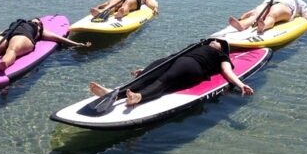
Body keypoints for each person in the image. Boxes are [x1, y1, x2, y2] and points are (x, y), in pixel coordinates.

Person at [89, 39, 253, 107]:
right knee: (147, 76)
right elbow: (175, 55)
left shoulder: (221, 55)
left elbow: (227, 71)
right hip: (175, 59)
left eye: (219, 42)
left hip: (193, 66)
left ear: (222, 49)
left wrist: (240, 84)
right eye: (214, 40)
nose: (215, 41)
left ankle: (138, 97)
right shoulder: (195, 45)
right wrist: (146, 69)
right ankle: (115, 94)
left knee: (164, 81)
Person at [228, 0, 307, 33]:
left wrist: (241, 18)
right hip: (283, 6)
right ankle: (263, 26)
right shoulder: (297, 0)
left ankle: (242, 25)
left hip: (269, 3)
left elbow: (250, 12)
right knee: (272, 16)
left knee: (255, 15)